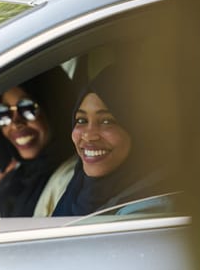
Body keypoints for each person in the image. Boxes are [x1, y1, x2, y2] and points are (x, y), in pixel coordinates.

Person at [40, 64, 170, 216]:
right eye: (81, 120)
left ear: (140, 130)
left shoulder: (148, 209)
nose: (89, 135)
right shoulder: (78, 188)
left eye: (107, 121)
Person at [0, 66, 76, 217]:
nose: (15, 123)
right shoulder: (18, 175)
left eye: (27, 108)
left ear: (55, 108)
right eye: (3, 112)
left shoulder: (70, 180)